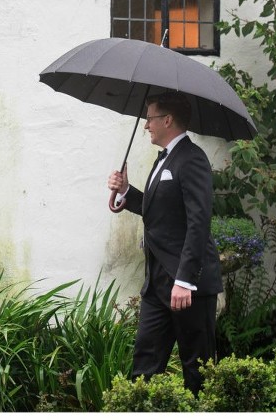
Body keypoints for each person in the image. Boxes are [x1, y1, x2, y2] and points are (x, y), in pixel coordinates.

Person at [107, 91, 222, 396]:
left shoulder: (193, 159)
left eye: (151, 118)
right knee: (145, 365)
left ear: (167, 120)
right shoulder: (164, 160)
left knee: (198, 371)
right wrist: (125, 192)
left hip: (188, 283)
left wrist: (185, 280)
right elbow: (158, 211)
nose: (146, 125)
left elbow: (199, 222)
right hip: (157, 282)